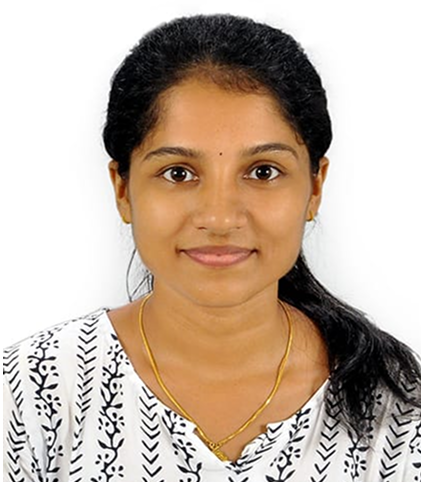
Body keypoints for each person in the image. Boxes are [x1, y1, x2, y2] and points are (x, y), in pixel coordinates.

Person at [3, 13, 421, 481]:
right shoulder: (29, 396)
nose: (220, 219)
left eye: (263, 171)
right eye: (178, 173)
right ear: (123, 189)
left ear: (314, 187)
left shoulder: (401, 415)